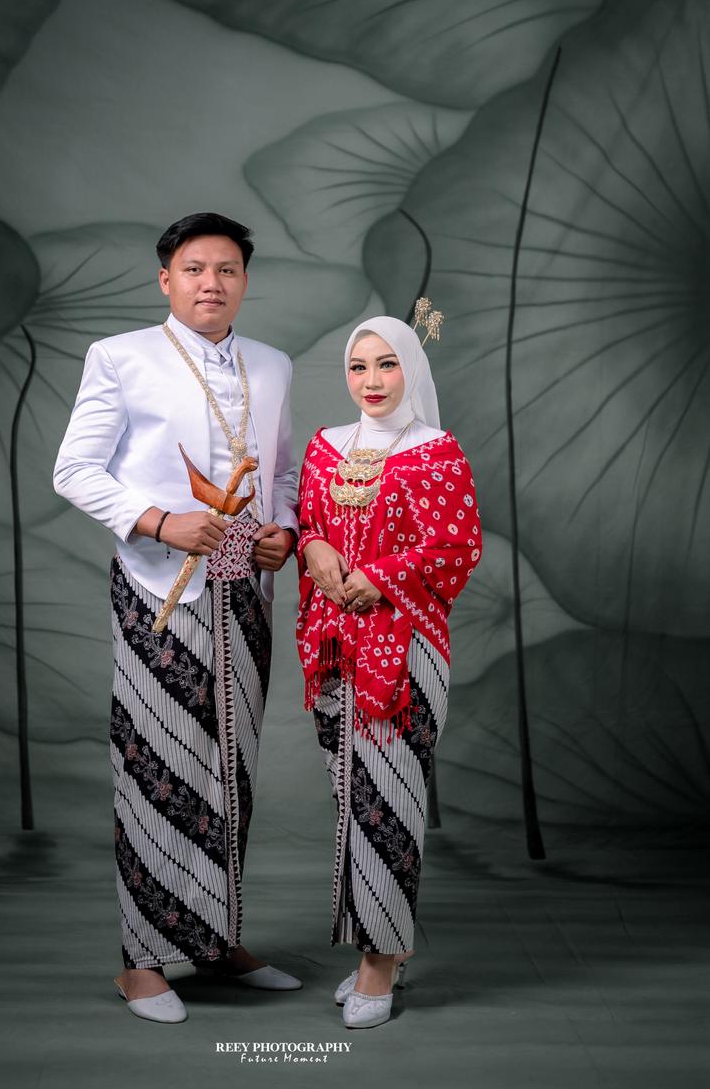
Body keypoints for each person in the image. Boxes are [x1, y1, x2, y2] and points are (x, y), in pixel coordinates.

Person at [54, 213, 302, 1023]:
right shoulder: (121, 357)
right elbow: (74, 469)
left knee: (232, 765)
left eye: (227, 269)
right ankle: (141, 962)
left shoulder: (273, 364)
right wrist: (160, 521)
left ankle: (216, 942)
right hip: (158, 585)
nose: (210, 283)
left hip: (245, 591)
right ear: (166, 279)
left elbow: (286, 473)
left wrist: (284, 531)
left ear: (244, 281)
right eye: (194, 269)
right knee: (156, 764)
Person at [295, 315, 481, 1029]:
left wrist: (382, 575)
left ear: (411, 369)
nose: (370, 381)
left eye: (386, 365)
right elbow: (309, 523)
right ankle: (384, 943)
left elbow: (456, 547)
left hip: (404, 652)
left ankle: (378, 962)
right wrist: (313, 547)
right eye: (358, 367)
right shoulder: (325, 448)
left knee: (390, 803)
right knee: (352, 800)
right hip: (334, 648)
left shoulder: (437, 452)